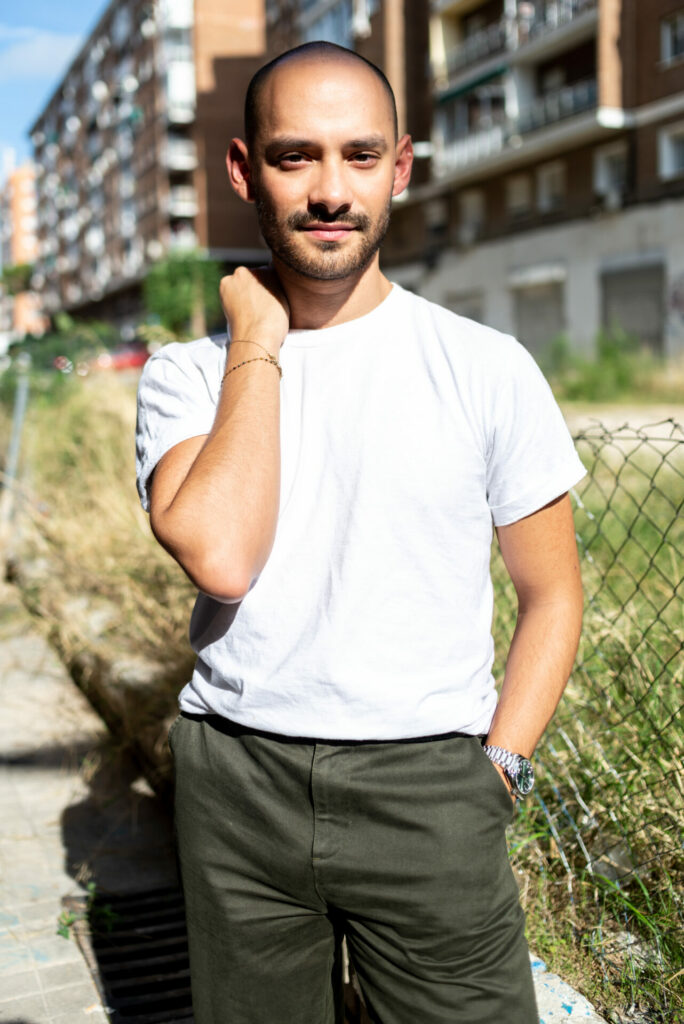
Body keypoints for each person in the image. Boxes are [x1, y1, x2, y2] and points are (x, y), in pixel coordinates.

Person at [135, 41, 585, 1024]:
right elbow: (222, 553)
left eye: (361, 155)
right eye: (298, 157)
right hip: (237, 781)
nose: (333, 190)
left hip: (430, 785)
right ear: (245, 170)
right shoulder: (186, 374)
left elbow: (553, 594)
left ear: (403, 166)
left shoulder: (486, 367)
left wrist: (498, 768)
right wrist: (258, 340)